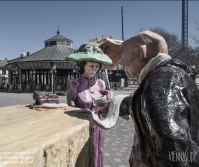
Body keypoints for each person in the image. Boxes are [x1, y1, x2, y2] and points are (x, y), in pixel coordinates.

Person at [98, 30, 199, 167]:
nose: (122, 64)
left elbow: (172, 141)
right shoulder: (165, 76)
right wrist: (118, 104)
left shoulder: (162, 80)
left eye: (123, 56)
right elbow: (144, 103)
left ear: (141, 52)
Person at [65, 43, 113, 167]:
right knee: (85, 158)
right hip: (82, 129)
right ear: (83, 65)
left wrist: (109, 101)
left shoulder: (101, 84)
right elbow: (71, 112)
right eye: (91, 66)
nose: (94, 69)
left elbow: (105, 111)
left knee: (99, 154)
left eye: (97, 66)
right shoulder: (74, 84)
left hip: (99, 128)